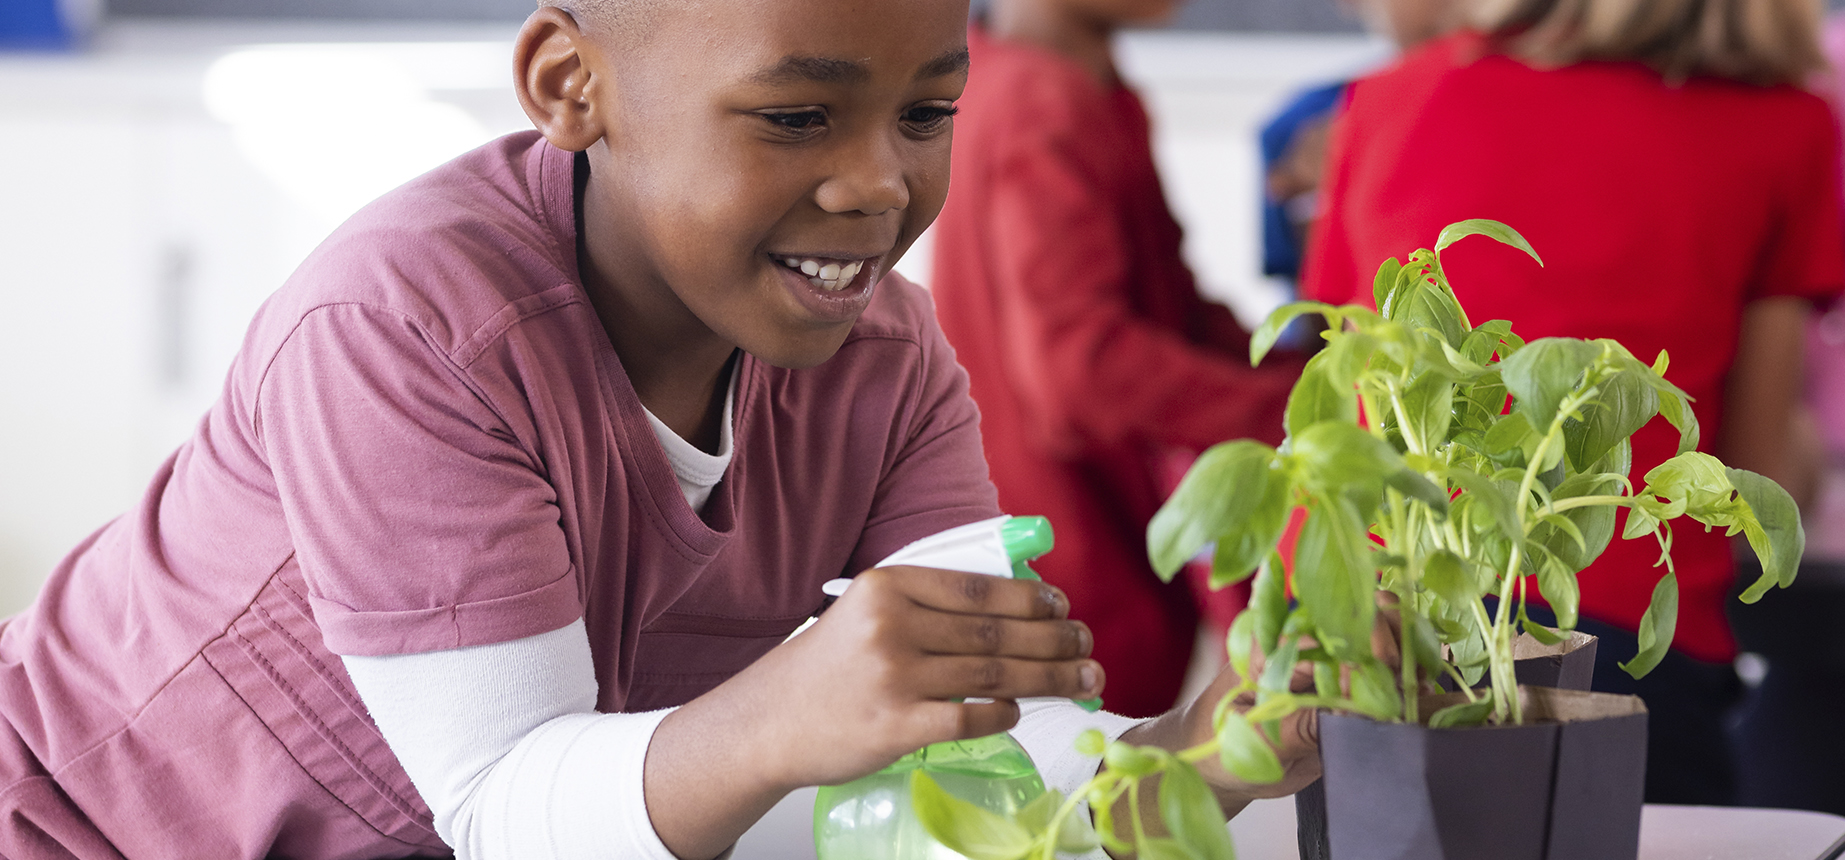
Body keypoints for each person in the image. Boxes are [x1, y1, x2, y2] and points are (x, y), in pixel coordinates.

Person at [0, 0, 1325, 857]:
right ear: (572, 85)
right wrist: (784, 714)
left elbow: (987, 761)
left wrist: (1211, 748)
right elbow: (508, 808)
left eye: (926, 113)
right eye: (795, 116)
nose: (878, 183)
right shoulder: (410, 320)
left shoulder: (889, 363)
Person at [1302, 0, 1844, 805]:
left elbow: (1340, 370)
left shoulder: (1395, 95)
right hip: (1613, 652)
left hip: (1367, 626)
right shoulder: (1782, 124)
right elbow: (1756, 474)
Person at [928, 0, 1307, 718]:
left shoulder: (1066, 82)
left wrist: (1310, 371)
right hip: (1071, 559)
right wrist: (1292, 409)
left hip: (1080, 544)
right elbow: (1079, 371)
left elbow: (1173, 308)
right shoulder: (1046, 100)